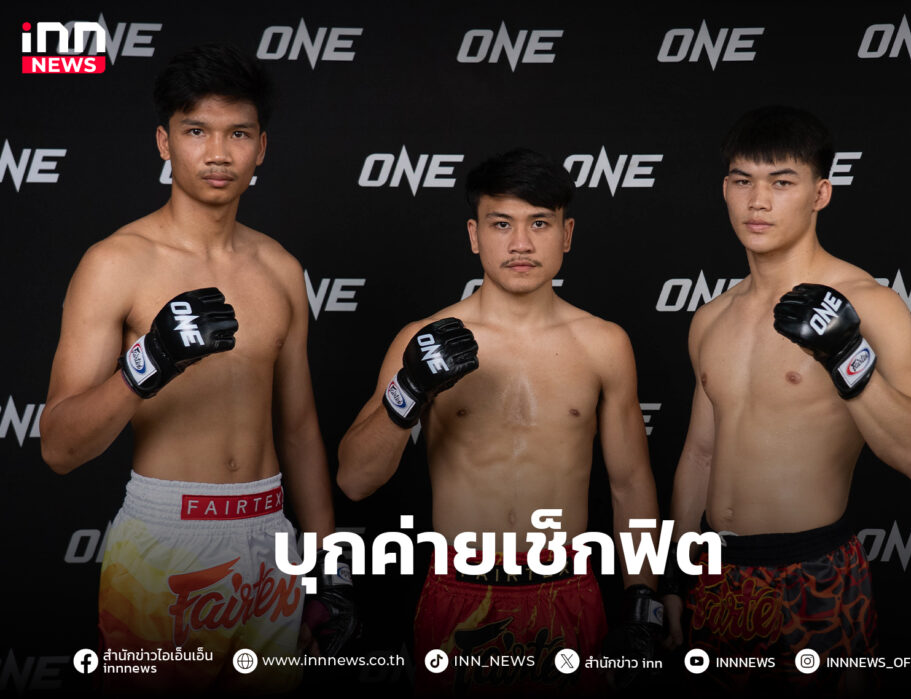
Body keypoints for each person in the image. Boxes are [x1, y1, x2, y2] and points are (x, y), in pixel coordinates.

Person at [39, 44, 351, 691]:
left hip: (270, 537)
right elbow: (59, 448)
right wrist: (147, 362)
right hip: (165, 537)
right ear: (164, 142)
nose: (218, 153)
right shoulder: (116, 263)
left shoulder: (281, 268)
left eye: (238, 133)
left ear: (261, 147)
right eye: (196, 131)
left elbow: (298, 429)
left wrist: (332, 571)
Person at [337, 148, 661, 694]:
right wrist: (409, 389)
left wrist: (643, 597)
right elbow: (354, 480)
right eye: (501, 224)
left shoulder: (604, 344)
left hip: (567, 589)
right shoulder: (423, 339)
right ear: (474, 234)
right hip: (458, 592)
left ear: (567, 234)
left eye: (540, 223)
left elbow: (630, 484)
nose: (521, 244)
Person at [661, 105, 911, 690]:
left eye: (782, 182)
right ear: (725, 189)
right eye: (742, 181)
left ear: (820, 194)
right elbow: (701, 453)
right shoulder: (711, 317)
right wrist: (674, 577)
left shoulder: (871, 304)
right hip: (716, 573)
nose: (758, 202)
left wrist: (847, 356)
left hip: (812, 572)